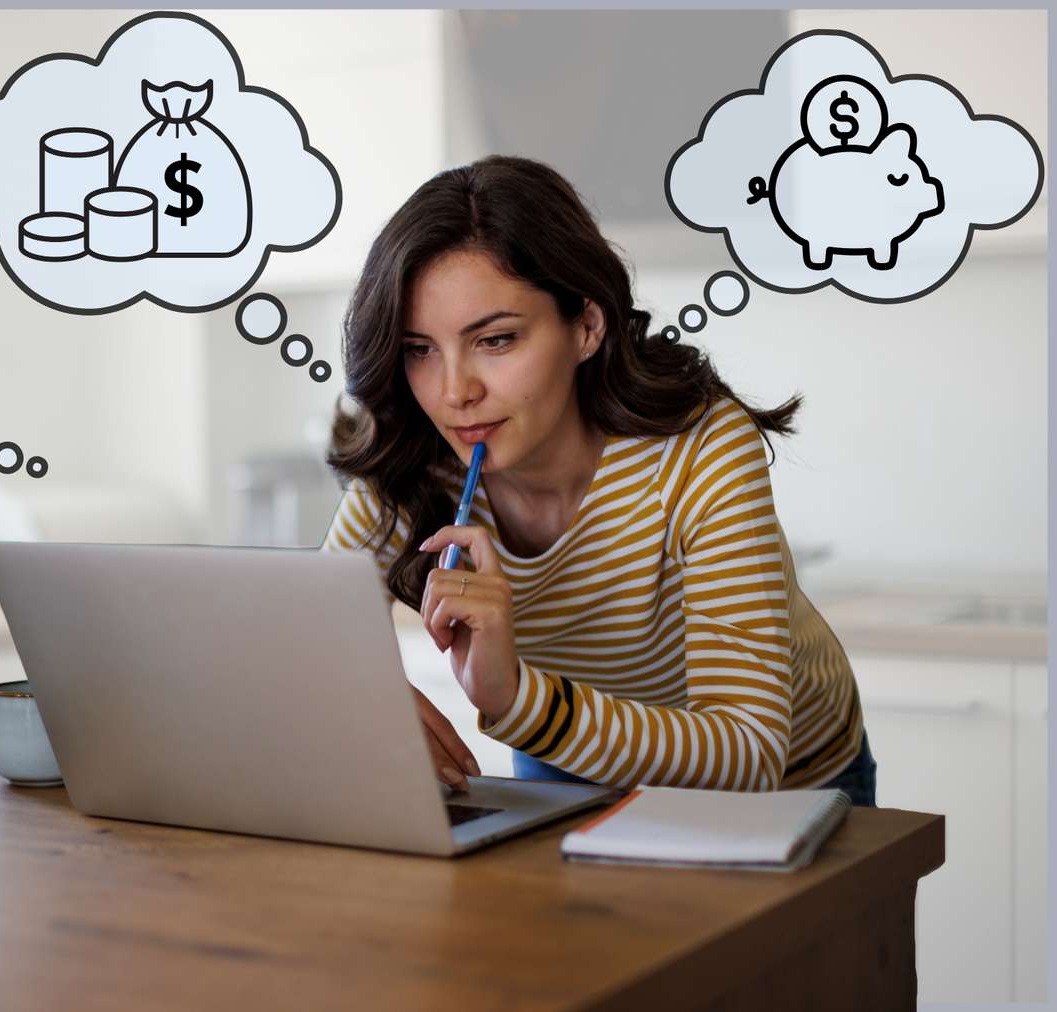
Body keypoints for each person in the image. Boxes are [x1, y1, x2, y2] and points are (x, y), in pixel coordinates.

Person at [320, 155, 877, 807]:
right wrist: (362, 696)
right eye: (419, 350)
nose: (454, 393)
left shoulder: (699, 447)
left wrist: (517, 701)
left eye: (495, 340)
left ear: (586, 325)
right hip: (570, 759)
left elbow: (749, 748)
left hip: (788, 783)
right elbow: (306, 645)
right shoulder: (413, 460)